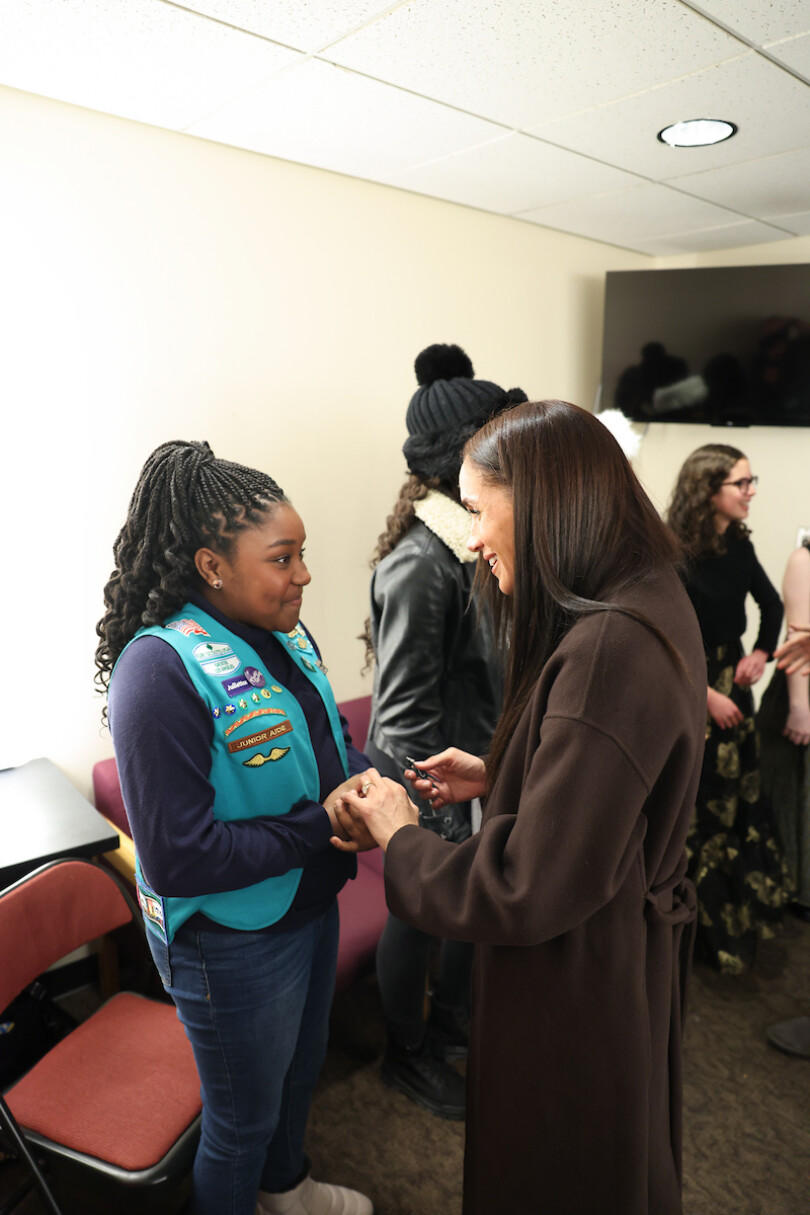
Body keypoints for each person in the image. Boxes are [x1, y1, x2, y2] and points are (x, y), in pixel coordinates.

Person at [331, 400, 707, 1215]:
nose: (470, 537)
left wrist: (399, 837)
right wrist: (506, 768)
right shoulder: (652, 593)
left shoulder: (608, 647)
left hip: (577, 974)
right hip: (616, 942)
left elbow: (524, 884)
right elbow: (610, 782)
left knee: (559, 1167)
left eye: (477, 510)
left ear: (542, 506)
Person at [95, 441, 374, 1215]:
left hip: (309, 901)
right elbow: (180, 855)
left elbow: (329, 747)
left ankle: (285, 1190)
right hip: (232, 937)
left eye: (303, 554)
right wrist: (321, 824)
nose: (305, 575)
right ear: (212, 565)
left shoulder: (287, 632)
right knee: (239, 1119)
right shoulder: (156, 670)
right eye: (283, 558)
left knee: (297, 1073)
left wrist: (379, 781)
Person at [363, 342, 525, 1119]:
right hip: (427, 781)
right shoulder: (421, 563)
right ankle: (407, 1050)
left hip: (472, 772)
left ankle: (454, 1025)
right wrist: (430, 819)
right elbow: (398, 714)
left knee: (470, 922)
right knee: (419, 918)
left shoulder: (471, 546)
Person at [667, 443, 792, 973]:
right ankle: (690, 936)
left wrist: (762, 653)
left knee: (738, 806)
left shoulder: (738, 544)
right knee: (698, 812)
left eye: (751, 481)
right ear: (707, 490)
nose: (751, 492)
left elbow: (772, 604)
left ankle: (733, 929)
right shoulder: (672, 549)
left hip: (731, 683)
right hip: (689, 688)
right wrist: (705, 696)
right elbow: (664, 637)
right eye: (741, 483)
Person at [758, 543, 810, 921]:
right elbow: (797, 641)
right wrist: (799, 709)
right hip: (800, 694)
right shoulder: (804, 561)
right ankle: (791, 891)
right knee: (790, 796)